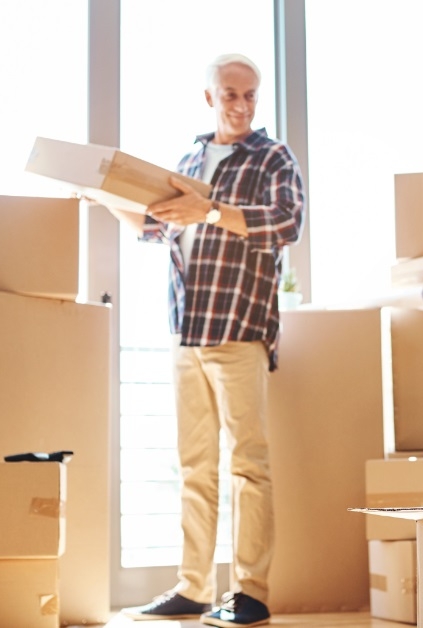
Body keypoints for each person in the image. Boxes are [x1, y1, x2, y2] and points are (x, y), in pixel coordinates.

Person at [118, 53, 305, 628]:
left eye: (250, 95)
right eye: (230, 95)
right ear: (210, 98)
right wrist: (103, 196)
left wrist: (212, 211)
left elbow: (287, 222)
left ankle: (250, 592)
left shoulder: (272, 157)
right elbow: (155, 227)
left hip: (239, 330)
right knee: (194, 466)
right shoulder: (189, 161)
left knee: (248, 464)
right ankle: (193, 587)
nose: (242, 105)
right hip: (188, 333)